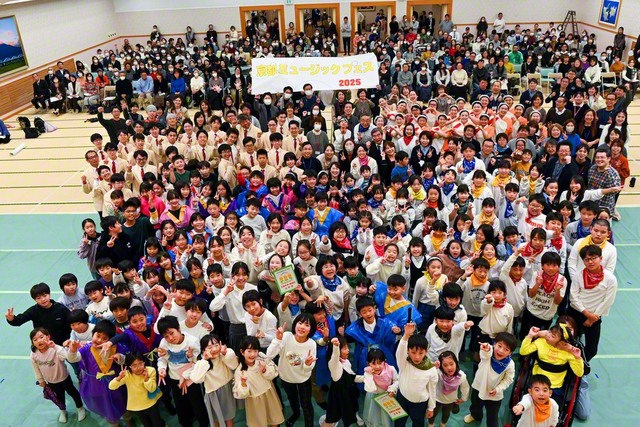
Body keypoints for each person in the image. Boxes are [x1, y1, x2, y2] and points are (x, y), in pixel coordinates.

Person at [30, 327, 86, 423]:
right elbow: (36, 368)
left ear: (48, 337)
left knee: (73, 393)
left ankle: (80, 408)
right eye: (35, 339)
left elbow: (66, 356)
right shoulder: (34, 354)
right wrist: (41, 380)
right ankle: (62, 410)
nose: (39, 341)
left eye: (41, 337)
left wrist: (55, 346)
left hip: (64, 378)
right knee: (59, 396)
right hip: (51, 381)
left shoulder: (55, 349)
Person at [464, 333, 517, 426]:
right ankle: (475, 415)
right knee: (475, 405)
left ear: (510, 353)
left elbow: (508, 380)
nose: (501, 351)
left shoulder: (510, 364)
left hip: (494, 393)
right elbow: (484, 354)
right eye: (499, 346)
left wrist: (498, 389)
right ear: (494, 344)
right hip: (478, 386)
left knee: (492, 417)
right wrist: (487, 348)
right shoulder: (488, 353)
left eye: (506, 349)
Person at [392, 321, 438, 427]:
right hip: (402, 398)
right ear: (408, 351)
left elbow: (432, 389)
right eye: (413, 352)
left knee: (418, 423)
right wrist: (406, 335)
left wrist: (431, 407)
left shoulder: (431, 369)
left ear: (426, 352)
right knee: (399, 422)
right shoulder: (404, 362)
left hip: (420, 403)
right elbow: (399, 353)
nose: (417, 357)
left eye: (421, 353)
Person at [233, 336, 285, 427]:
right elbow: (241, 395)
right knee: (259, 423)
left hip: (269, 394)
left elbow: (274, 374)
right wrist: (243, 384)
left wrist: (264, 371)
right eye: (249, 351)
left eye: (255, 351)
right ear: (242, 352)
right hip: (255, 402)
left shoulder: (261, 358)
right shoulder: (240, 372)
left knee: (274, 419)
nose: (253, 354)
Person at [108, 352, 164, 427]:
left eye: (140, 364)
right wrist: (119, 378)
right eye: (134, 366)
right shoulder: (126, 374)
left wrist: (146, 379)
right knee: (147, 424)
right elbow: (111, 386)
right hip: (136, 406)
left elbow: (152, 389)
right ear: (129, 366)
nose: (138, 368)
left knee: (157, 423)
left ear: (144, 362)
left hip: (150, 403)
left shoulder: (150, 370)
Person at [5, 283, 71, 345]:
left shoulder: (60, 308)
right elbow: (19, 321)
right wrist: (11, 319)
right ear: (34, 299)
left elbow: (72, 321)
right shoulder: (34, 311)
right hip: (43, 345)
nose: (43, 299)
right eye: (38, 298)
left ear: (49, 294)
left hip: (63, 344)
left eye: (45, 296)